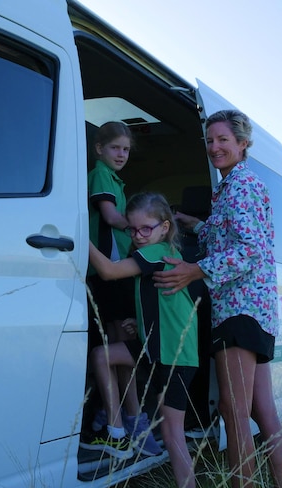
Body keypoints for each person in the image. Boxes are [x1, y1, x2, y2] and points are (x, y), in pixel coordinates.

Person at [152, 110, 282, 488]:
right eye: (209, 141)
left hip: (238, 311)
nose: (214, 147)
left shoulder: (242, 186)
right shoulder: (235, 187)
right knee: (263, 412)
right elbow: (230, 236)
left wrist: (195, 270)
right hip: (257, 312)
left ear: (242, 143)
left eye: (222, 140)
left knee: (235, 416)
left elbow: (249, 250)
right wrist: (192, 223)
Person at [82, 192, 221, 488]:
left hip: (174, 359)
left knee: (174, 437)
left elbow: (108, 272)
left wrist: (78, 235)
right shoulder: (153, 256)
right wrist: (136, 325)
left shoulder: (157, 252)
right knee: (102, 355)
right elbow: (160, 307)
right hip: (152, 350)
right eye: (133, 228)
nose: (139, 234)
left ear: (163, 227)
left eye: (147, 228)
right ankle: (115, 431)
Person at [86, 121, 161, 456]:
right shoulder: (101, 175)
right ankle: (128, 418)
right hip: (106, 271)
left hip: (112, 274)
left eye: (126, 149)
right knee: (117, 347)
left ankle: (121, 417)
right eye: (115, 147)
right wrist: (141, 227)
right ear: (99, 149)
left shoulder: (114, 180)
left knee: (117, 347)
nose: (121, 154)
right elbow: (110, 216)